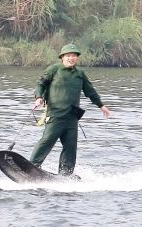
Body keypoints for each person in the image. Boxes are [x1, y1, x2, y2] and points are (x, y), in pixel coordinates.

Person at [29, 45, 110, 176]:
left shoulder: (80, 74)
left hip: (72, 117)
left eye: (74, 56)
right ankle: (32, 166)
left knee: (70, 147)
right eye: (68, 56)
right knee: (47, 140)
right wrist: (38, 98)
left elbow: (90, 91)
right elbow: (40, 84)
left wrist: (101, 105)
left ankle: (66, 174)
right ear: (62, 57)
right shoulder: (54, 70)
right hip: (55, 114)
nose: (71, 58)